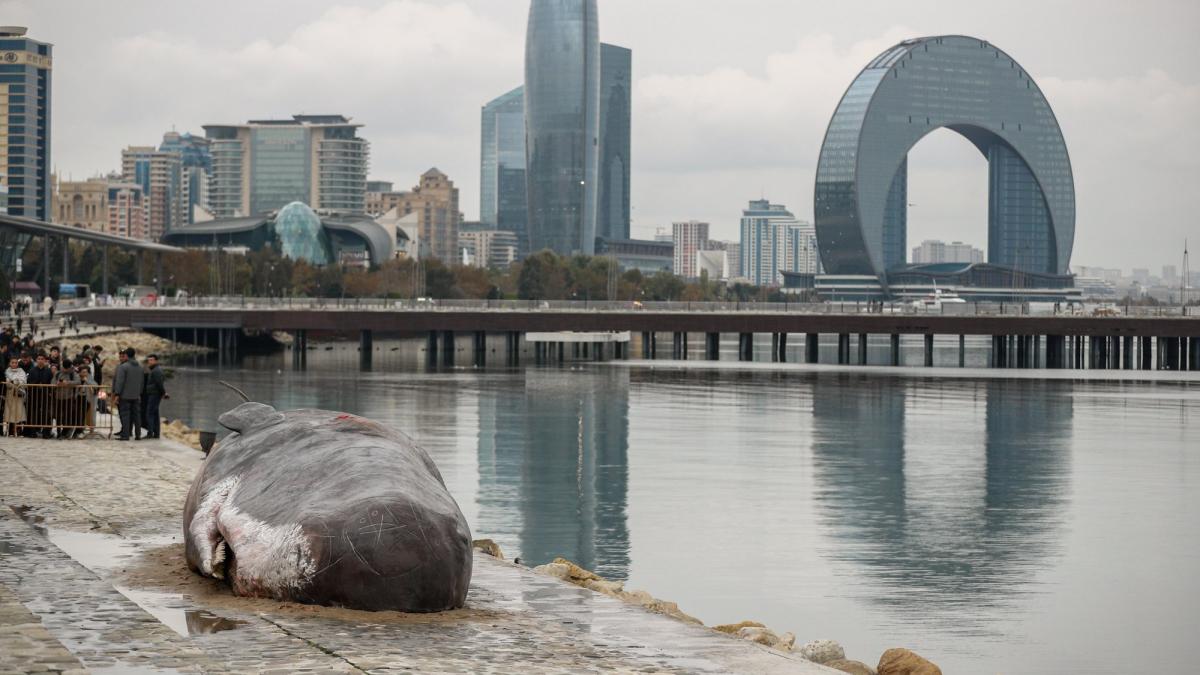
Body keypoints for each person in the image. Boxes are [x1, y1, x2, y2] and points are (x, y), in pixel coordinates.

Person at [112, 347, 144, 441]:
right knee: (137, 416)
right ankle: (138, 435)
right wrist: (139, 393)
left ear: (126, 355)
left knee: (125, 415)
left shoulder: (123, 367)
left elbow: (120, 382)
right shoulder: (140, 367)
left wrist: (117, 394)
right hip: (136, 395)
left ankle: (125, 435)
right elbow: (142, 382)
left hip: (125, 396)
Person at [25, 352, 54, 438]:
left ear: (45, 360)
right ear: (36, 360)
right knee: (33, 413)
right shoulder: (32, 370)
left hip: (45, 396)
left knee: (46, 414)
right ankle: (33, 432)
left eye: (42, 359)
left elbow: (51, 382)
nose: (40, 361)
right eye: (39, 359)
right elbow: (29, 382)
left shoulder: (48, 371)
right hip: (34, 396)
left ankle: (46, 432)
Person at [142, 354, 168, 440]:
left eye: (151, 360)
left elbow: (159, 383)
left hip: (154, 394)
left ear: (156, 361)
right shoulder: (155, 370)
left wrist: (164, 393)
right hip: (154, 394)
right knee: (155, 414)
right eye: (149, 360)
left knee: (149, 413)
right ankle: (156, 433)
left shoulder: (156, 371)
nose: (149, 362)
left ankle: (150, 433)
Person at [3, 356, 26, 437]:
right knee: (10, 412)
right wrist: (11, 382)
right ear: (10, 363)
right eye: (12, 362)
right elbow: (7, 382)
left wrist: (15, 381)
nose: (14, 364)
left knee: (19, 412)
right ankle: (10, 431)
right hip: (10, 395)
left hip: (18, 394)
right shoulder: (7, 371)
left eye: (15, 362)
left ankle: (19, 431)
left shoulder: (21, 371)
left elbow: (23, 381)